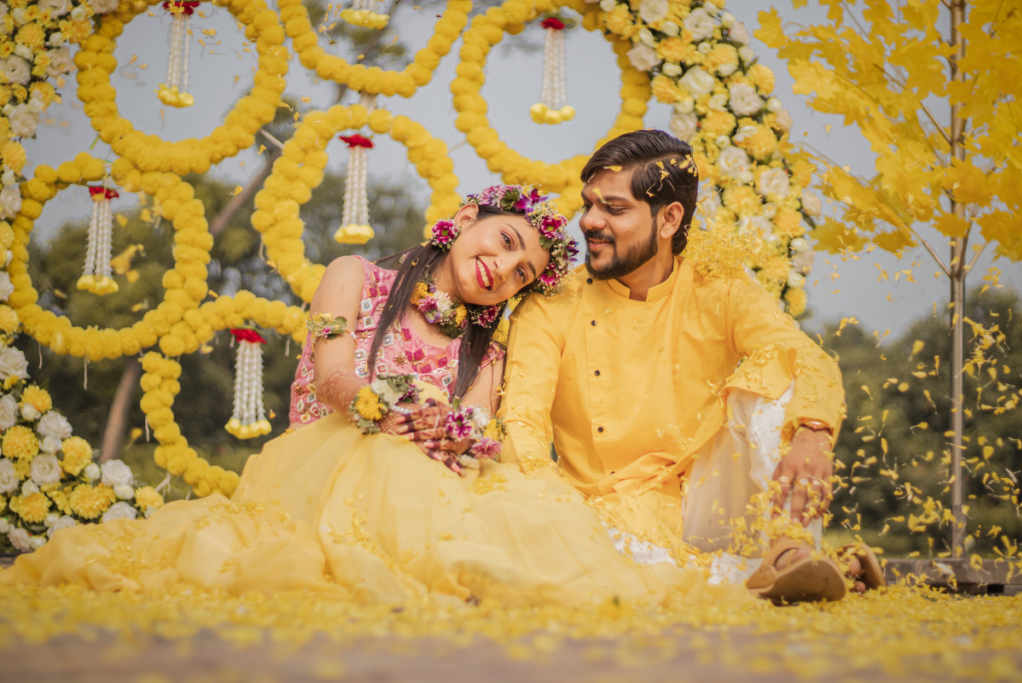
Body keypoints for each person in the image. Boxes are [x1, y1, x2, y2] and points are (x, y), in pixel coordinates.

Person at [1, 184, 750, 609]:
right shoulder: (355, 276)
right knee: (381, 461)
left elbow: (479, 426)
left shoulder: (487, 344)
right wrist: (397, 411)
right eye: (502, 242)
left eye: (522, 272)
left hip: (433, 476)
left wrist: (453, 433)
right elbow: (331, 378)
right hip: (329, 455)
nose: (503, 268)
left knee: (522, 503)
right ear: (464, 222)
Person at [498, 131, 885, 603]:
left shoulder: (718, 287)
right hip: (609, 512)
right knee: (594, 554)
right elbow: (522, 420)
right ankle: (789, 573)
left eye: (614, 209)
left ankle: (788, 546)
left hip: (713, 500)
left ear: (669, 219)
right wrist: (545, 508)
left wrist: (814, 432)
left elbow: (805, 356)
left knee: (775, 371)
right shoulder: (554, 303)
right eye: (589, 205)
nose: (590, 222)